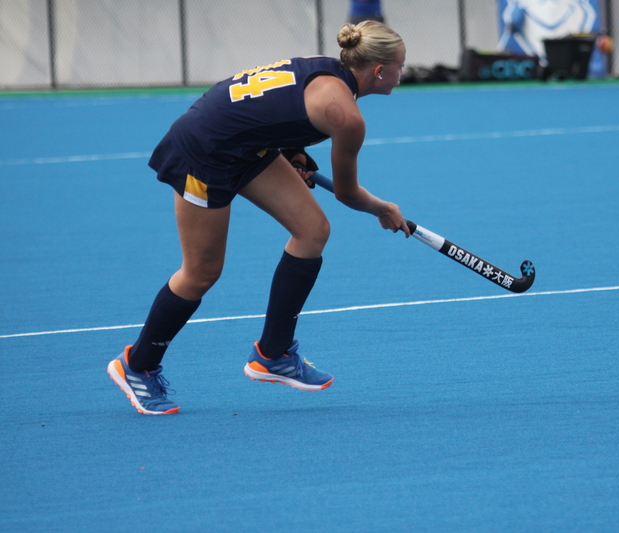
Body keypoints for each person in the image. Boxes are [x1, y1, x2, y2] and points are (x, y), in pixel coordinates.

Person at [107, 21, 409, 415]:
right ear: (380, 70)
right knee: (201, 273)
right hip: (204, 153)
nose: (404, 75)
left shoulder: (326, 69)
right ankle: (137, 365)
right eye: (402, 66)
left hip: (246, 146)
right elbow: (349, 193)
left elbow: (270, 107)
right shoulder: (346, 116)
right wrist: (382, 209)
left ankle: (273, 354)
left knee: (312, 230)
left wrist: (293, 150)